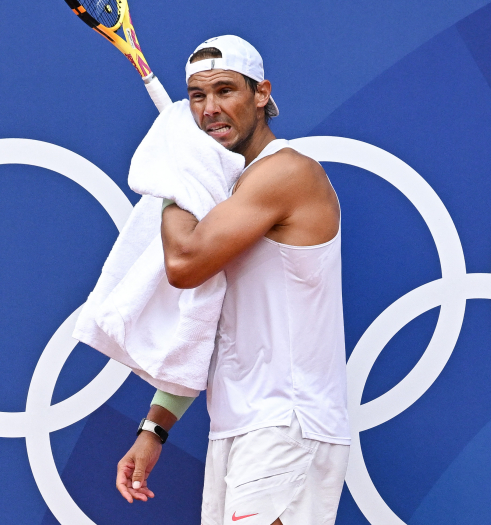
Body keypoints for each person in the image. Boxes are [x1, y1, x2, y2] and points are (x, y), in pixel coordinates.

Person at [113, 35, 349, 525]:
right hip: (240, 427)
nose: (210, 109)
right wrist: (154, 429)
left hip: (286, 424)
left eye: (225, 91)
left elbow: (184, 264)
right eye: (198, 97)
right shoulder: (225, 190)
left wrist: (175, 173)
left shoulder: (286, 173)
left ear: (261, 94)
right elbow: (206, 318)